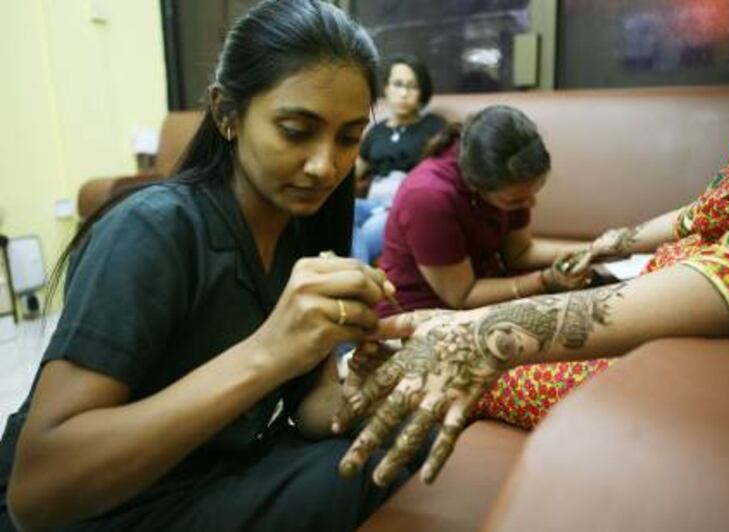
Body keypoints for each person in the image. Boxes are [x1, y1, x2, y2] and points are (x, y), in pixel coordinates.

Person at [331, 0, 729, 487]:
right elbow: (711, 211)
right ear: (479, 188)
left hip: (708, 340)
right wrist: (613, 247)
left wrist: (488, 325)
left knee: (482, 364)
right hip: (454, 301)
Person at [0, 1, 423, 530]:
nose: (325, 166)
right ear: (226, 114)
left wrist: (362, 390)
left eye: (347, 138)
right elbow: (38, 493)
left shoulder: (304, 228)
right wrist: (267, 353)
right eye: (296, 130)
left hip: (218, 471)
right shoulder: (155, 230)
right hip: (106, 508)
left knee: (407, 440)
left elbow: (310, 404)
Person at [378, 104, 595, 316]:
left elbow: (519, 252)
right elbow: (461, 296)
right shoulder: (427, 198)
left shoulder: (507, 169)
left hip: (486, 295)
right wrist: (545, 280)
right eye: (515, 202)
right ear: (474, 185)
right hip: (423, 313)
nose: (530, 204)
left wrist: (595, 250)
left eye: (533, 193)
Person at [351, 54, 446, 264]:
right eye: (398, 84)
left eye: (412, 87)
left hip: (403, 208)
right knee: (343, 216)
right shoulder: (377, 131)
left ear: (422, 92)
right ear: (386, 88)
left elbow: (441, 175)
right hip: (372, 203)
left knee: (366, 233)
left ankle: (358, 290)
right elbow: (354, 171)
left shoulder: (433, 127)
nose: (404, 93)